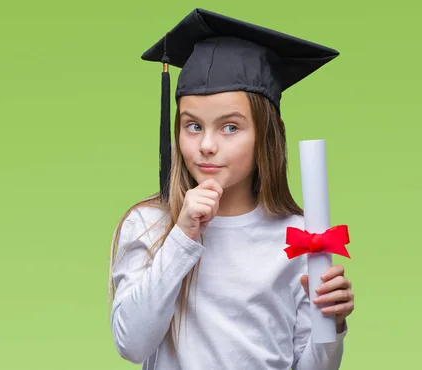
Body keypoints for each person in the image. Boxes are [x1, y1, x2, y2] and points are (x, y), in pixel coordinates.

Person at [107, 8, 354, 370]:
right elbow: (131, 344)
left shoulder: (300, 235)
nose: (207, 145)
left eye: (230, 128)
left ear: (265, 136)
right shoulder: (151, 225)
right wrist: (183, 235)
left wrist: (331, 326)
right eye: (193, 126)